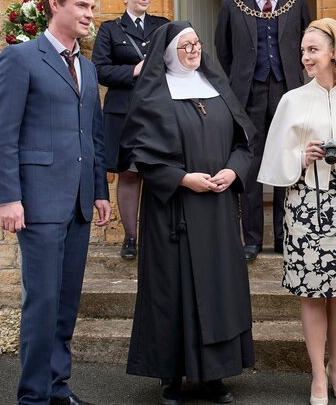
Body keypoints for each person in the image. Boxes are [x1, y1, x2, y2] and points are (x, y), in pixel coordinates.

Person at [0, 0, 110, 405]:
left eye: (92, 8)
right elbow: (2, 134)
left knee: (64, 306)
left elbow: (93, 135)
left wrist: (99, 192)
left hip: (77, 203)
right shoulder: (20, 58)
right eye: (82, 6)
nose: (89, 15)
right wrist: (9, 198)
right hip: (36, 203)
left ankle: (58, 387)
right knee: (40, 305)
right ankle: (33, 397)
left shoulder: (88, 66)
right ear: (54, 5)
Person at [118, 21, 256, 405]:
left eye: (197, 44)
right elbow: (141, 155)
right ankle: (171, 378)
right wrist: (182, 179)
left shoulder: (217, 88)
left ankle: (215, 376)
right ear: (167, 53)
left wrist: (233, 170)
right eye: (185, 46)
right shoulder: (153, 97)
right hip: (173, 212)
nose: (194, 51)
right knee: (172, 292)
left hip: (217, 208)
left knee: (218, 290)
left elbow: (245, 141)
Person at [258, 18, 336, 405]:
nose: (306, 57)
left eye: (313, 50)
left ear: (333, 52)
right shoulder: (292, 100)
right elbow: (274, 160)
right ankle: (317, 377)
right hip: (306, 203)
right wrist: (301, 155)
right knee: (312, 294)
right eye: (303, 51)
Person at [215, 0, 312, 261]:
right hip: (248, 94)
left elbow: (305, 43)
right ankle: (252, 239)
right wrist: (242, 78)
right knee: (252, 164)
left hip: (287, 91)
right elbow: (224, 50)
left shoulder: (295, 1)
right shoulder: (232, 1)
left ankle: (285, 237)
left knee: (287, 159)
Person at [92, 0, 169, 259]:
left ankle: (157, 235)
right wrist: (133, 70)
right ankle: (130, 237)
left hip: (156, 109)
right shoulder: (110, 29)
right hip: (122, 111)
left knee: (157, 171)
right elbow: (99, 70)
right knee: (129, 174)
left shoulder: (162, 26)